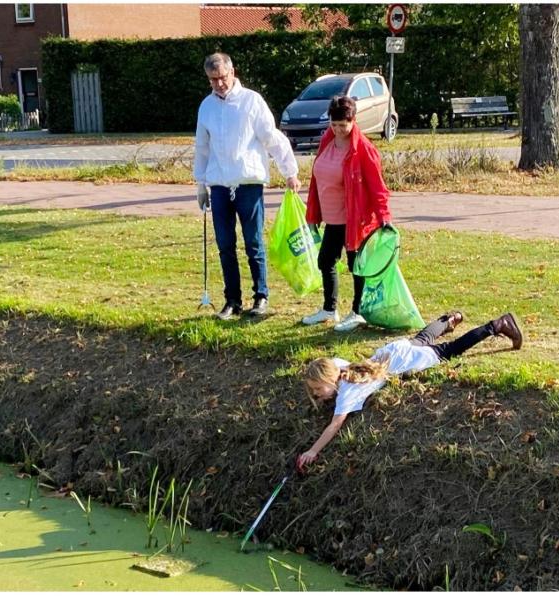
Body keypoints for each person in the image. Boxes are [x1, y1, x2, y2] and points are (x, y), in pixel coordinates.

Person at [297, 311, 523, 469]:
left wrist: (313, 451)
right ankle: (450, 319)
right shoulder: (338, 365)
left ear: (329, 378)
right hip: (394, 350)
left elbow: (335, 424)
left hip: (409, 359)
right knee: (422, 338)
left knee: (452, 349)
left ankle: (498, 325)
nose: (318, 396)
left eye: (318, 390)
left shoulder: (347, 391)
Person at [194, 52, 301, 320]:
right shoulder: (206, 107)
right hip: (219, 184)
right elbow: (202, 148)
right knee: (225, 244)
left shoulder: (252, 101)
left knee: (253, 242)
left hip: (248, 182)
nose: (219, 84)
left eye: (222, 77)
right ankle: (232, 300)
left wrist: (289, 171)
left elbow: (271, 137)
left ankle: (261, 296)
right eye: (212, 79)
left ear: (232, 72)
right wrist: (200, 184)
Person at [302, 95, 394, 332]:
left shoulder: (364, 149)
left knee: (357, 265)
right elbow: (316, 179)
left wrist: (384, 216)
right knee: (326, 261)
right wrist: (313, 214)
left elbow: (377, 186)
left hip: (355, 219)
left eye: (343, 125)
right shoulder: (327, 140)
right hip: (333, 218)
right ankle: (329, 309)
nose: (338, 130)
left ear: (353, 121)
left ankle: (358, 311)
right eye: (334, 125)